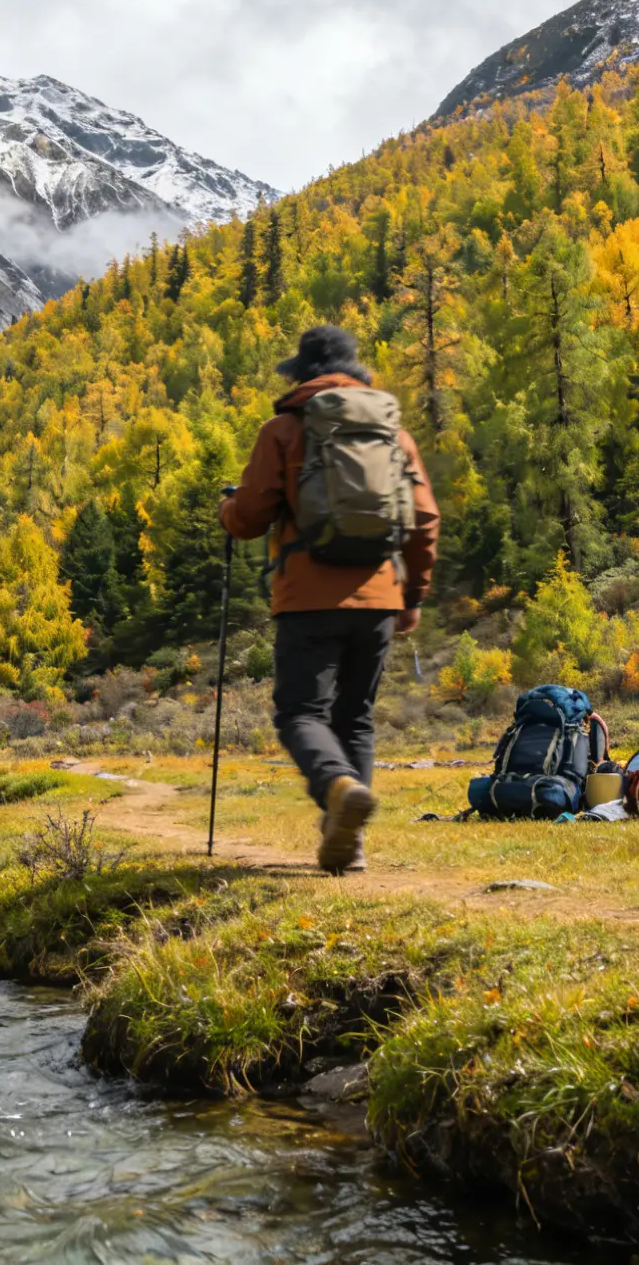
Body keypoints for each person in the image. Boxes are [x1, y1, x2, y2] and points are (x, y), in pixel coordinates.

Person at [221, 325, 439, 875]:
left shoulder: (284, 430)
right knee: (356, 718)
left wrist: (226, 511)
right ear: (355, 372)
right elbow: (425, 520)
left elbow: (248, 518)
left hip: (307, 596)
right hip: (380, 599)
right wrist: (411, 596)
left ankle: (336, 788)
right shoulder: (393, 435)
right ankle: (350, 844)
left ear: (300, 375)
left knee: (300, 712)